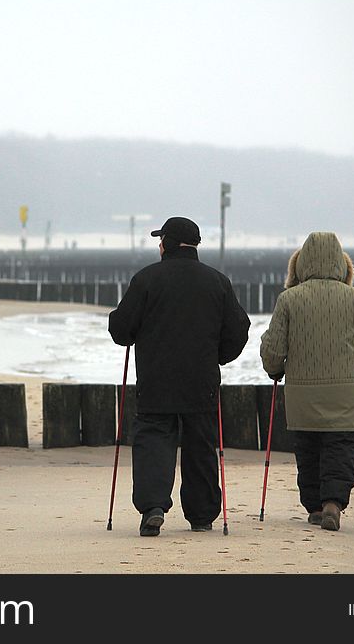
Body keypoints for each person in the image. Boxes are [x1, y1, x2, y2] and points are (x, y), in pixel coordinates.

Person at [108, 216, 250, 536]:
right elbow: (239, 329)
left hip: (156, 379)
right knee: (200, 445)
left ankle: (153, 506)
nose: (159, 245)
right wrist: (219, 358)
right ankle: (201, 516)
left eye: (161, 240)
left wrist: (125, 326)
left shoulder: (147, 279)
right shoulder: (217, 281)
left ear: (168, 244)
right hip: (201, 379)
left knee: (154, 441)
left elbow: (121, 329)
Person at [260, 232, 354, 531]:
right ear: (343, 265)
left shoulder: (289, 299)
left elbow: (273, 349)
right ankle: (334, 503)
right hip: (347, 394)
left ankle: (315, 507)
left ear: (299, 265)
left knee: (308, 450)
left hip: (303, 394)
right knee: (340, 448)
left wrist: (274, 370)